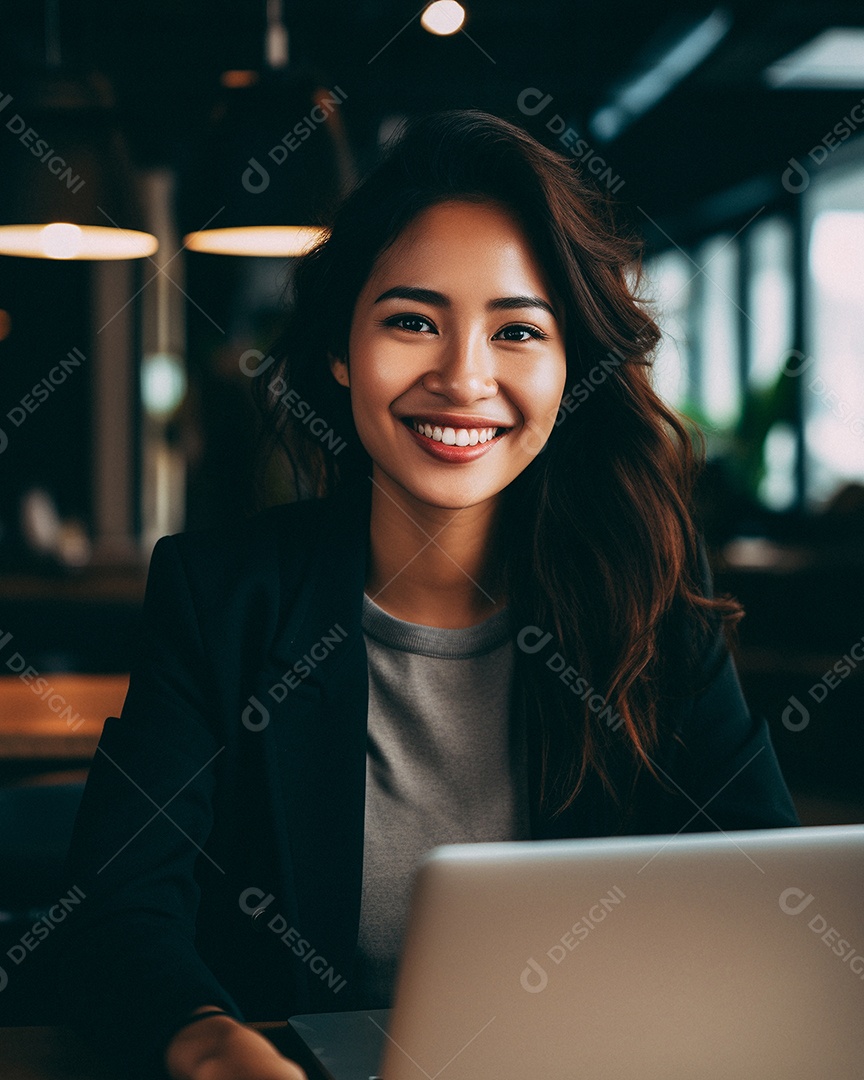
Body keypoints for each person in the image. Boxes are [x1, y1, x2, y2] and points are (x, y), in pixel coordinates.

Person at [54, 109, 798, 1080]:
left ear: (572, 368)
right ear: (338, 352)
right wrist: (205, 1041)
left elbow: (766, 898)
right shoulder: (220, 597)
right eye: (413, 321)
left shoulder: (647, 589)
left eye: (518, 330)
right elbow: (116, 903)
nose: (463, 377)